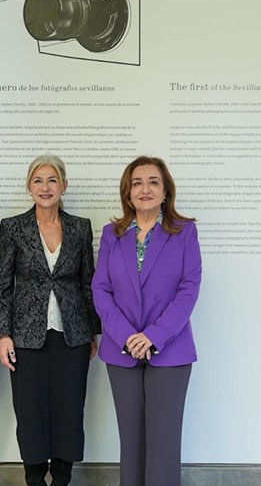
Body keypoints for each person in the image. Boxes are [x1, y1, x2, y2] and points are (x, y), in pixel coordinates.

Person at [91, 156, 202, 486]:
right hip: (121, 350)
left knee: (163, 444)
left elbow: (189, 288)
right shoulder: (113, 233)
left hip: (170, 350)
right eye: (137, 183)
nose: (145, 189)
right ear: (127, 192)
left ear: (166, 191)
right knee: (131, 442)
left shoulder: (184, 232)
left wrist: (153, 336)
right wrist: (127, 336)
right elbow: (100, 289)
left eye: (153, 182)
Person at [0, 154, 100, 486]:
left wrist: (93, 331)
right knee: (30, 413)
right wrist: (4, 334)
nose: (45, 187)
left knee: (70, 411)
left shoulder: (81, 227)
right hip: (26, 337)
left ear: (64, 186)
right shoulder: (13, 227)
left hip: (73, 336)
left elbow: (88, 281)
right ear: (29, 187)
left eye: (52, 180)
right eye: (38, 180)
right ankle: (35, 480)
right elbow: (2, 286)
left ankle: (63, 479)